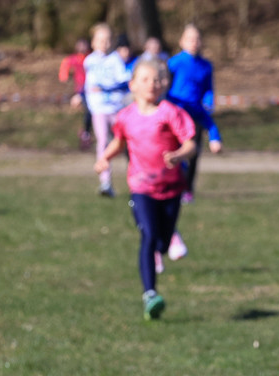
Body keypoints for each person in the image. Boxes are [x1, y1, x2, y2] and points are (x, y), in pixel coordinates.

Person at [94, 57, 196, 320]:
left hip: (172, 188)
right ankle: (150, 294)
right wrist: (105, 157)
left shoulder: (170, 112)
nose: (152, 84)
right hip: (141, 188)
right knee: (148, 235)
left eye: (156, 79)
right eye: (145, 79)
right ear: (133, 85)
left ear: (164, 84)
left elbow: (191, 144)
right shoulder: (125, 117)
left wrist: (178, 155)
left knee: (161, 242)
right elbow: (119, 141)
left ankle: (165, 245)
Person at [167, 24, 223, 204]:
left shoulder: (206, 66)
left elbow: (208, 90)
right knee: (175, 153)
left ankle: (188, 190)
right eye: (190, 39)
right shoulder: (173, 63)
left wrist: (208, 102)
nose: (194, 42)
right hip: (176, 114)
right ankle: (172, 186)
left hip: (195, 115)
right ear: (182, 42)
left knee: (193, 153)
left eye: (197, 39)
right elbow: (164, 87)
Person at [84, 23, 130, 197]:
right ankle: (105, 182)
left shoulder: (116, 59)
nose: (104, 43)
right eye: (100, 40)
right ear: (93, 42)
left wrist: (105, 88)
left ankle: (136, 180)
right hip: (99, 110)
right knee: (103, 142)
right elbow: (90, 87)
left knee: (126, 143)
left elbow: (122, 82)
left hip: (117, 110)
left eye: (108, 40)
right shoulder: (89, 61)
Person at [59, 38, 93, 149]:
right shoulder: (74, 59)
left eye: (84, 45)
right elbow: (65, 65)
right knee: (88, 110)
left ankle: (87, 133)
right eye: (80, 45)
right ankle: (85, 134)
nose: (82, 48)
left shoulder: (91, 58)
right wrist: (64, 75)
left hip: (92, 89)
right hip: (80, 90)